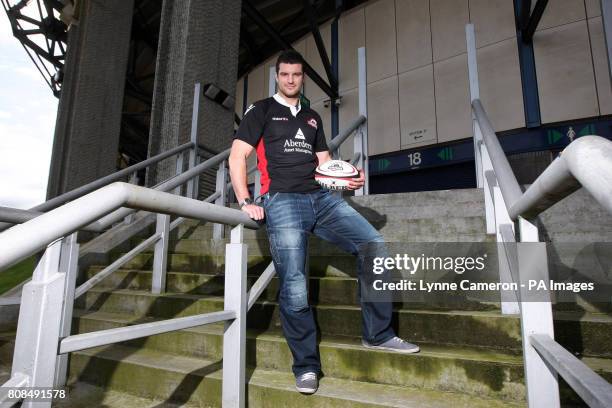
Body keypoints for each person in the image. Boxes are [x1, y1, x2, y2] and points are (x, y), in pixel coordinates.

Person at [228, 50, 419, 395]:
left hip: (322, 199)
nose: (290, 80)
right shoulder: (262, 110)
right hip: (282, 200)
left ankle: (378, 334)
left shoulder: (313, 118)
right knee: (296, 283)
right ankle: (305, 366)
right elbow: (237, 156)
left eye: (296, 75)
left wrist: (349, 179)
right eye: (284, 75)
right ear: (277, 76)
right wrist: (245, 201)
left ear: (303, 78)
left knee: (374, 245)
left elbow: (326, 165)